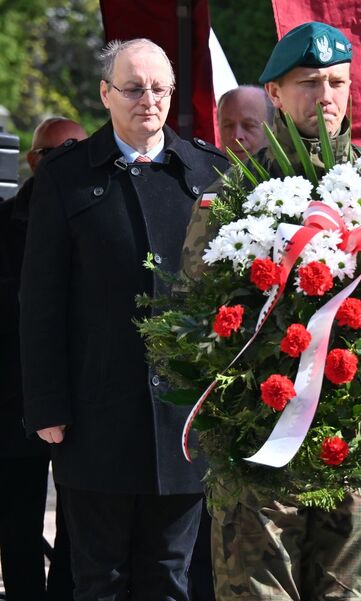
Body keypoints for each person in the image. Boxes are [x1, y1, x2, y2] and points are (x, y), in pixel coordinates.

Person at [181, 22, 361, 601]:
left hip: (354, 447)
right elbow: (193, 313)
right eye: (308, 82)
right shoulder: (234, 194)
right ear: (274, 93)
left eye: (336, 82)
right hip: (259, 448)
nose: (325, 95)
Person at [18, 39, 228, 601]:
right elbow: (41, 301)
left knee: (169, 575)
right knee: (100, 577)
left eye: (159, 88)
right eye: (133, 88)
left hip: (184, 418)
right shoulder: (66, 177)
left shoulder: (210, 175)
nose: (148, 100)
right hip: (97, 414)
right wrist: (47, 405)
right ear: (106, 94)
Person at [1, 117, 85, 601]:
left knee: (84, 519)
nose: (66, 163)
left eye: (77, 150)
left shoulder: (95, 212)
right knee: (19, 522)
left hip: (83, 397)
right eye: (55, 153)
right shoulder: (5, 222)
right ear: (33, 162)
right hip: (17, 399)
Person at [217, 85, 275, 161]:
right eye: (228, 126)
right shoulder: (204, 170)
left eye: (248, 126)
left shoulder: (291, 172)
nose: (237, 137)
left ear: (273, 130)